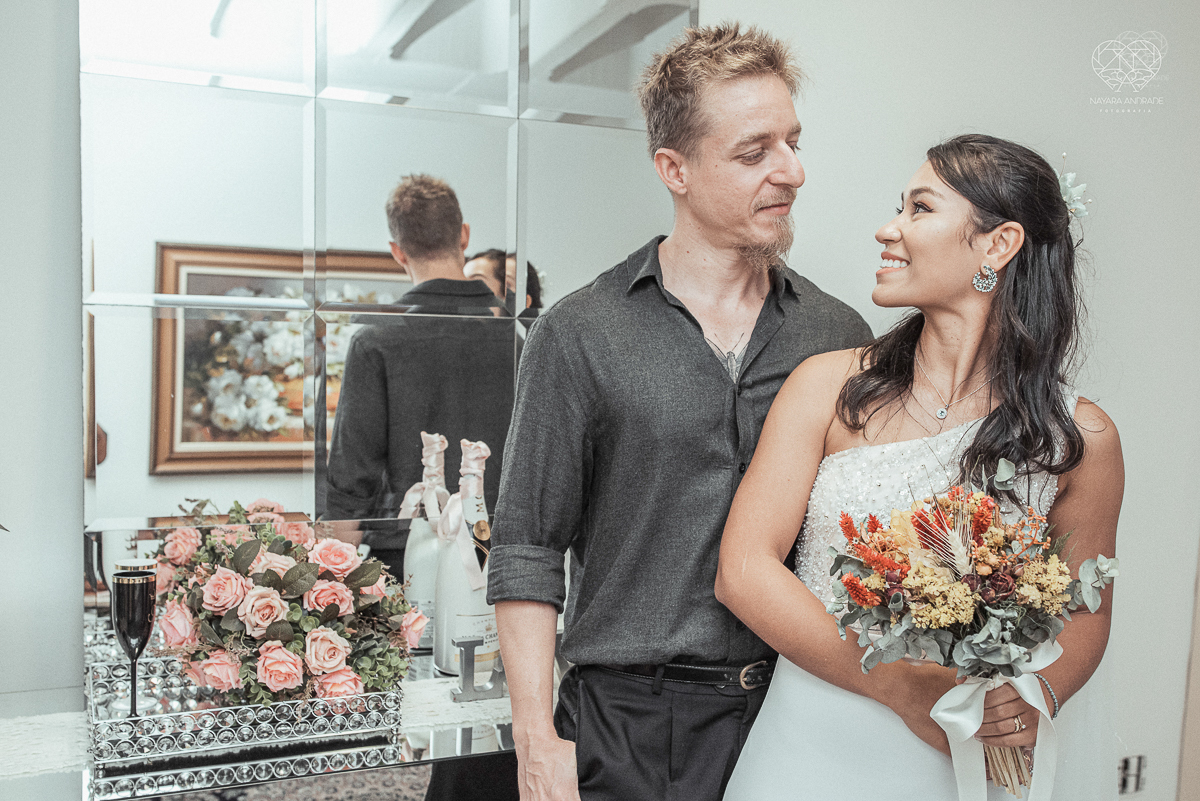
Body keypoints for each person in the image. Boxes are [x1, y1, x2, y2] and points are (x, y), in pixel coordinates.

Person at [487, 24, 871, 801]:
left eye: (793, 142)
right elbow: (528, 545)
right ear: (675, 168)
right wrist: (536, 736)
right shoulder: (579, 332)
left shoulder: (839, 336)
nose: (792, 172)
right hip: (627, 720)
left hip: (798, 710)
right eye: (754, 151)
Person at [717, 134, 1122, 799]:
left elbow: (1086, 609)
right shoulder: (827, 386)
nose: (888, 229)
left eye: (919, 209)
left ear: (998, 244)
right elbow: (742, 570)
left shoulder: (1079, 438)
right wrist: (898, 682)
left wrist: (1034, 696)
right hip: (808, 744)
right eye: (897, 208)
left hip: (955, 752)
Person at [324, 174, 515, 550]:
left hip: (407, 562)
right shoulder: (518, 341)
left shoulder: (375, 342)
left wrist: (331, 585)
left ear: (397, 251)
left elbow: (349, 485)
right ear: (464, 236)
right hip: (504, 556)